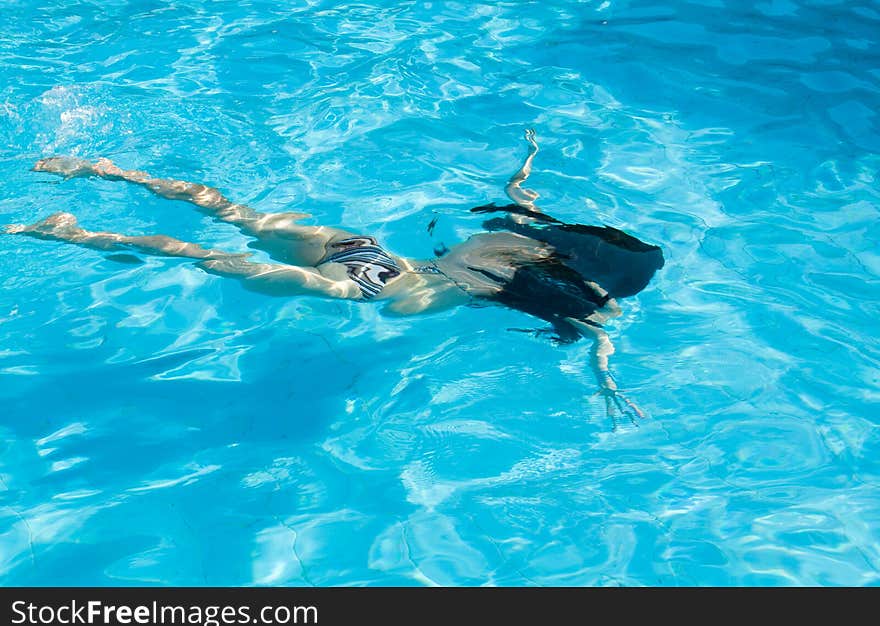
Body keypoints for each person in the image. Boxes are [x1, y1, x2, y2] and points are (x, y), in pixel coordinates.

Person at [5, 130, 663, 425]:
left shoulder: (529, 235)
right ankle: (77, 233)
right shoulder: (579, 296)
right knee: (206, 259)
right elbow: (603, 338)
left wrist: (527, 163)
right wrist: (608, 385)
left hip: (370, 252)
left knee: (233, 211)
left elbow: (517, 193)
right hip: (382, 289)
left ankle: (106, 170)